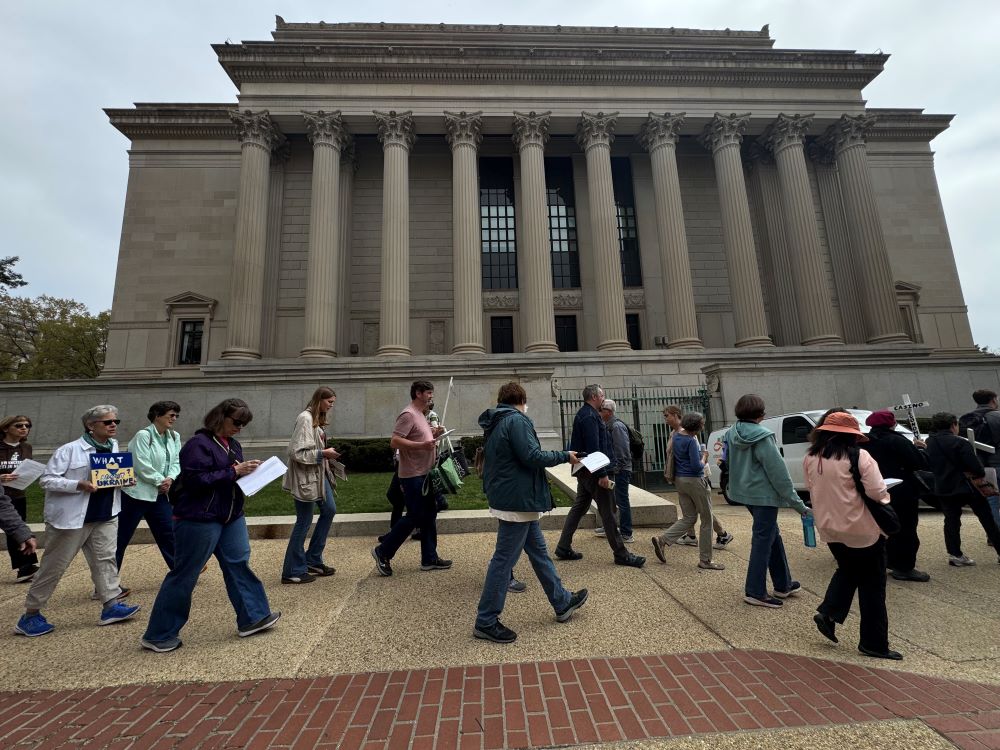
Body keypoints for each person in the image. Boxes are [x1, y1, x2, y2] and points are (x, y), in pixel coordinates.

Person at [141, 398, 279, 652]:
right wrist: (234, 472)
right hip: (198, 517)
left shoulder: (233, 445)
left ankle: (253, 617)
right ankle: (159, 634)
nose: (239, 427)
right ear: (220, 418)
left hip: (230, 516)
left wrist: (250, 473)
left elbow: (229, 475)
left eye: (243, 424)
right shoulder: (198, 444)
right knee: (185, 574)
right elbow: (194, 481)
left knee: (238, 563)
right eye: (236, 422)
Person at [473, 382, 589, 643]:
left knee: (539, 554)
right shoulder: (516, 420)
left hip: (513, 497)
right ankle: (486, 620)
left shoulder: (498, 421)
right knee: (503, 561)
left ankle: (561, 602)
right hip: (518, 500)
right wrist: (565, 455)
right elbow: (531, 456)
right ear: (521, 399)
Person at [15, 406, 140, 637]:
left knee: (106, 561)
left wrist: (124, 480)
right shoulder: (69, 450)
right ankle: (30, 614)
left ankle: (111, 605)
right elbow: (47, 481)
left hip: (105, 515)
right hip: (72, 520)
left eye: (116, 421)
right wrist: (77, 485)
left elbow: (110, 476)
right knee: (54, 566)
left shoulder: (112, 447)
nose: (113, 425)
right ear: (91, 426)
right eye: (107, 422)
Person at [805, 410, 902, 660]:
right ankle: (874, 642)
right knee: (872, 585)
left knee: (848, 569)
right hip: (861, 528)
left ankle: (828, 612)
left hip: (829, 527)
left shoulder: (811, 456)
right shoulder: (859, 456)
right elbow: (878, 492)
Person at [725, 394, 810, 608]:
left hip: (745, 493)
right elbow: (778, 472)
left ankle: (783, 583)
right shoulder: (763, 436)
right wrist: (798, 504)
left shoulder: (732, 432)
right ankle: (755, 591)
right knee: (763, 539)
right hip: (764, 495)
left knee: (771, 535)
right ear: (761, 413)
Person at [554, 384, 645, 568]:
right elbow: (594, 448)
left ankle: (563, 546)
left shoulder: (585, 414)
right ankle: (621, 554)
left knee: (580, 507)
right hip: (595, 471)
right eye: (602, 395)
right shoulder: (590, 416)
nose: (604, 398)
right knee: (609, 512)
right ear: (594, 396)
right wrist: (603, 474)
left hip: (585, 470)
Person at [371, 380, 451, 576]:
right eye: (428, 393)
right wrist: (422, 446)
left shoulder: (421, 415)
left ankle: (429, 558)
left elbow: (417, 437)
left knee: (430, 513)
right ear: (418, 393)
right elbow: (395, 441)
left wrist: (434, 433)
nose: (432, 396)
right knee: (415, 516)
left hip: (425, 473)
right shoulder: (408, 414)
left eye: (432, 392)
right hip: (412, 475)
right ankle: (382, 552)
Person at [861, 409, 930, 582]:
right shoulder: (897, 440)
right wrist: (921, 449)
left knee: (883, 527)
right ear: (892, 424)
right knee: (906, 529)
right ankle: (904, 567)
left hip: (875, 490)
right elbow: (918, 462)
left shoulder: (864, 442)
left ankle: (886, 561)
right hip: (902, 491)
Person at [651, 412, 725, 570]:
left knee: (689, 517)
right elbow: (697, 466)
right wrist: (704, 456)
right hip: (694, 481)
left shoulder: (677, 436)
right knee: (706, 520)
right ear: (697, 427)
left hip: (680, 480)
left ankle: (663, 540)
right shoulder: (691, 440)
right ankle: (705, 560)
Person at [925, 411, 1000, 566]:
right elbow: (976, 468)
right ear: (953, 425)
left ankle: (955, 554)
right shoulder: (960, 442)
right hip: (967, 487)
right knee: (987, 519)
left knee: (951, 521)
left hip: (944, 487)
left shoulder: (930, 442)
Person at [281, 387, 340, 584]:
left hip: (319, 475)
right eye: (329, 402)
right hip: (306, 478)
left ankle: (313, 559)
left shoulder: (315, 420)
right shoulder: (305, 418)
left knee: (329, 510)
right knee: (303, 521)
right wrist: (323, 454)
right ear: (319, 400)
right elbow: (296, 452)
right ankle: (292, 570)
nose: (331, 406)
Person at [116, 401, 181, 577]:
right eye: (171, 415)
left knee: (169, 534)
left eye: (176, 415)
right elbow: (140, 464)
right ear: (157, 415)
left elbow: (176, 461)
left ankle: (181, 571)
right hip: (135, 495)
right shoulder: (143, 436)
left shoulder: (174, 436)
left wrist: (171, 478)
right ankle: (107, 585)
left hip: (159, 495)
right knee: (120, 538)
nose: (174, 418)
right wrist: (160, 480)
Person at [663, 405, 733, 549]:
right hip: (685, 476)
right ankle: (693, 537)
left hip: (690, 476)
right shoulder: (677, 434)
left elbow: (692, 461)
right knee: (696, 511)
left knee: (702, 511)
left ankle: (720, 534)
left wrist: (703, 458)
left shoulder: (686, 436)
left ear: (676, 415)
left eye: (667, 415)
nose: (665, 419)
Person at [0, 415, 39, 582]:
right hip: (2, 493)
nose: (24, 428)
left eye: (27, 425)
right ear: (6, 428)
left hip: (17, 494)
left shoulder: (26, 447)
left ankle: (25, 567)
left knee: (18, 530)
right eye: (19, 425)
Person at [594, 398, 633, 542]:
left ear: (608, 412)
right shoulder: (607, 425)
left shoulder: (616, 426)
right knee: (611, 500)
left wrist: (617, 468)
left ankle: (626, 533)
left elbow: (622, 451)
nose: (599, 412)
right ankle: (610, 527)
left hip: (620, 470)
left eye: (601, 410)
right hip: (613, 469)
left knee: (622, 501)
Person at [965, 389, 1000, 532]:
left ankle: (994, 533)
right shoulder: (997, 417)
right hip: (998, 463)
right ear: (993, 400)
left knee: (991, 500)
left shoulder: (967, 419)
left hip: (979, 466)